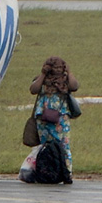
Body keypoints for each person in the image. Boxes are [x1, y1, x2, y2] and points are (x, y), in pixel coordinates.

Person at [30, 56, 78, 185]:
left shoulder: (65, 80)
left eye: (60, 67)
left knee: (64, 145)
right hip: (44, 117)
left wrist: (69, 73)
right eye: (55, 67)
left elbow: (74, 87)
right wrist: (43, 74)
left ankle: (66, 173)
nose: (58, 70)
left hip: (61, 117)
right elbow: (33, 90)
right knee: (45, 146)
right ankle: (47, 171)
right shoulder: (43, 80)